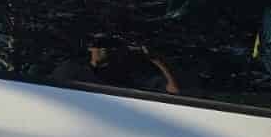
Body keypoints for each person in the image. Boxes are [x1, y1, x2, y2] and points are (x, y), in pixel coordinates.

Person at [50, 33, 180, 96]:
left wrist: (157, 61)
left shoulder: (129, 76)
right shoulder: (69, 70)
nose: (103, 49)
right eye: (98, 44)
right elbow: (51, 96)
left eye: (110, 46)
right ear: (89, 47)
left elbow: (174, 91)